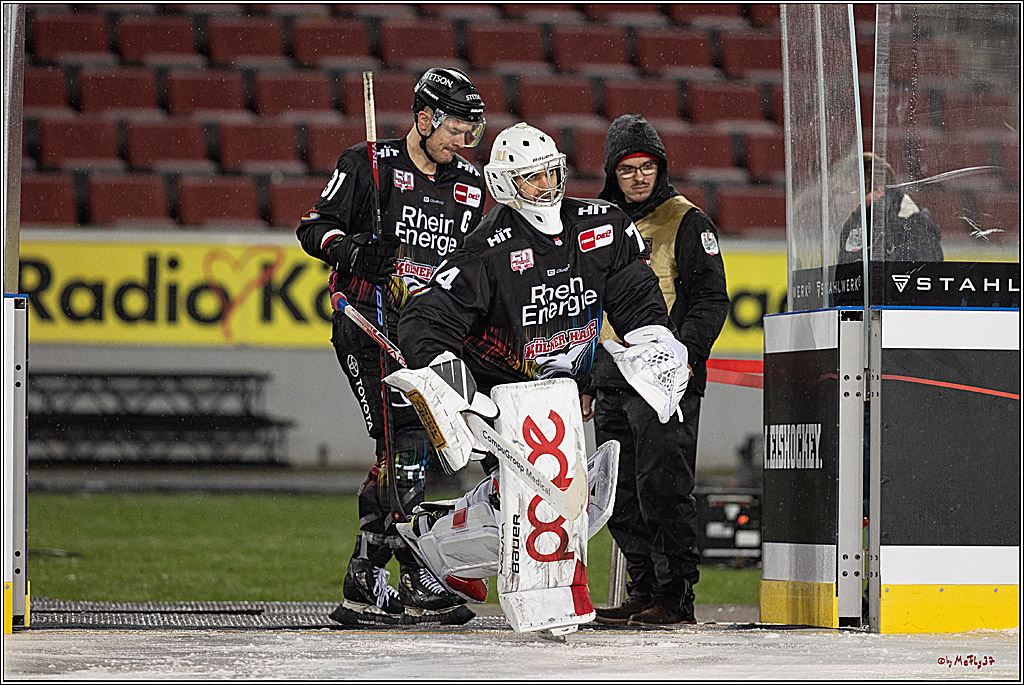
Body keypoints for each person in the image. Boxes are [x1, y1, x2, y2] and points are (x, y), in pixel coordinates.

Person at [392, 123, 692, 618]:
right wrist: (447, 377)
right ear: (506, 184)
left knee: (562, 506)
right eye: (531, 178)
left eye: (551, 172)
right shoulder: (488, 244)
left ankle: (433, 540)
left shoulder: (604, 223)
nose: (546, 186)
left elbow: (634, 292)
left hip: (562, 391)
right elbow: (427, 316)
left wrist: (655, 340)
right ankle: (439, 550)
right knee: (535, 509)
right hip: (504, 392)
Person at [295, 67, 488, 626]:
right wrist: (353, 252)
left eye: (472, 133)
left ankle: (375, 571)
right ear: (425, 118)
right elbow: (314, 228)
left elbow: (472, 262)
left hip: (426, 332)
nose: (463, 143)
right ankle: (400, 572)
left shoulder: (471, 186)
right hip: (367, 322)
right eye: (457, 129)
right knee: (403, 439)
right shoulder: (367, 164)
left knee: (415, 450)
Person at [583, 113, 729, 626]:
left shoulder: (687, 221)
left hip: (666, 383)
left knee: (663, 488)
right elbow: (582, 309)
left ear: (661, 168)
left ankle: (674, 597)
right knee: (618, 493)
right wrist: (586, 381)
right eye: (628, 169)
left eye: (648, 167)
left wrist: (682, 359)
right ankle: (642, 590)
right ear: (613, 174)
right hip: (610, 379)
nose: (640, 177)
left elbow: (711, 301)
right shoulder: (595, 227)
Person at [837, 152, 944, 263]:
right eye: (837, 193)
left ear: (877, 192)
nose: (838, 200)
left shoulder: (911, 226)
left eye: (845, 193)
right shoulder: (856, 221)